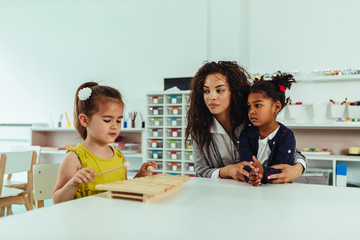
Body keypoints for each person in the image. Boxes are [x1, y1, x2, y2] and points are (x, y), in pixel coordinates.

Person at [185, 61, 306, 183]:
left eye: (220, 90)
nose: (211, 97)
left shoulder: (252, 119)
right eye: (206, 91)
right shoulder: (199, 128)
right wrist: (227, 171)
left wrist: (297, 169)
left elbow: (291, 150)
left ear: (234, 91)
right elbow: (201, 172)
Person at [53, 82, 157, 203]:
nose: (114, 126)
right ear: (85, 120)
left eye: (118, 120)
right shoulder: (74, 158)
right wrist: (73, 183)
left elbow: (123, 191)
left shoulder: (119, 157)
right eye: (107, 120)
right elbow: (57, 201)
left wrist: (140, 176)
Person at [239, 72, 297, 186]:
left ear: (276, 107)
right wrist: (252, 174)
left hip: (278, 192)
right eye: (249, 106)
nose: (251, 111)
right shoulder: (246, 133)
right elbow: (246, 164)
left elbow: (281, 170)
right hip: (250, 189)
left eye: (258, 105)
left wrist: (262, 172)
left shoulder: (286, 135)